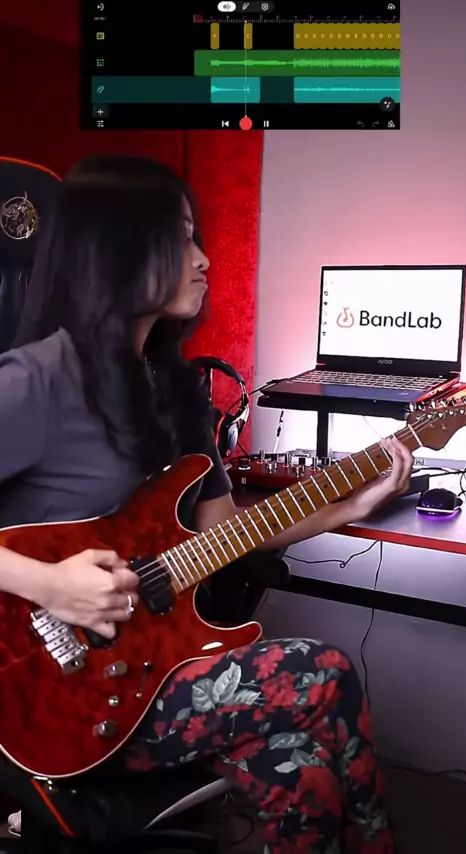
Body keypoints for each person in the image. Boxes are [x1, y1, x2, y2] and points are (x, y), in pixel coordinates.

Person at [0, 154, 413, 853]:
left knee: (305, 774)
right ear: (120, 249)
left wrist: (348, 509)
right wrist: (48, 583)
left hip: (157, 663)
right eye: (182, 237)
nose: (203, 259)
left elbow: (227, 532)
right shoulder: (34, 381)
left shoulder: (175, 391)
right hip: (53, 694)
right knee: (326, 672)